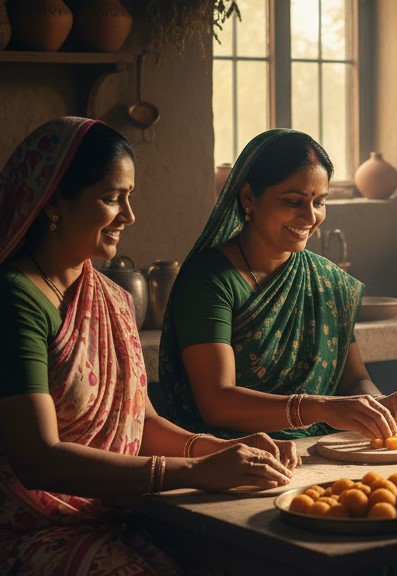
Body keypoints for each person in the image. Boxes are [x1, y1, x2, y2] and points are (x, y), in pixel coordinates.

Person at [0, 117, 298, 575]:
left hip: (117, 514)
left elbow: (141, 424)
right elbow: (37, 458)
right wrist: (196, 473)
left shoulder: (113, 299)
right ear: (53, 200)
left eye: (129, 198)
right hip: (32, 530)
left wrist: (223, 451)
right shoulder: (15, 298)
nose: (129, 216)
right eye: (111, 198)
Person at [155, 129, 397, 442]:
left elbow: (354, 382)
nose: (310, 216)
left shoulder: (327, 281)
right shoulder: (210, 280)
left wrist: (380, 405)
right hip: (232, 455)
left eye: (320, 202)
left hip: (320, 447)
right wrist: (320, 408)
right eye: (293, 202)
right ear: (248, 198)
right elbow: (217, 403)